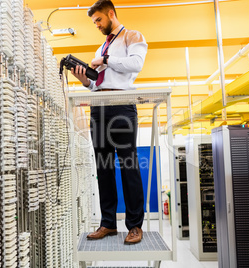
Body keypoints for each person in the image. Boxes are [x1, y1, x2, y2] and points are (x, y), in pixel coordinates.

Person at [71, 0, 147, 244]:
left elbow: (136, 64)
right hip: (99, 108)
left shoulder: (132, 36)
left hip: (122, 106)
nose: (96, 25)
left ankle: (135, 225)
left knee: (128, 165)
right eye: (94, 22)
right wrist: (84, 79)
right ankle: (108, 224)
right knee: (103, 167)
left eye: (98, 20)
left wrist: (106, 60)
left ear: (111, 14)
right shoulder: (100, 48)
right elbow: (97, 84)